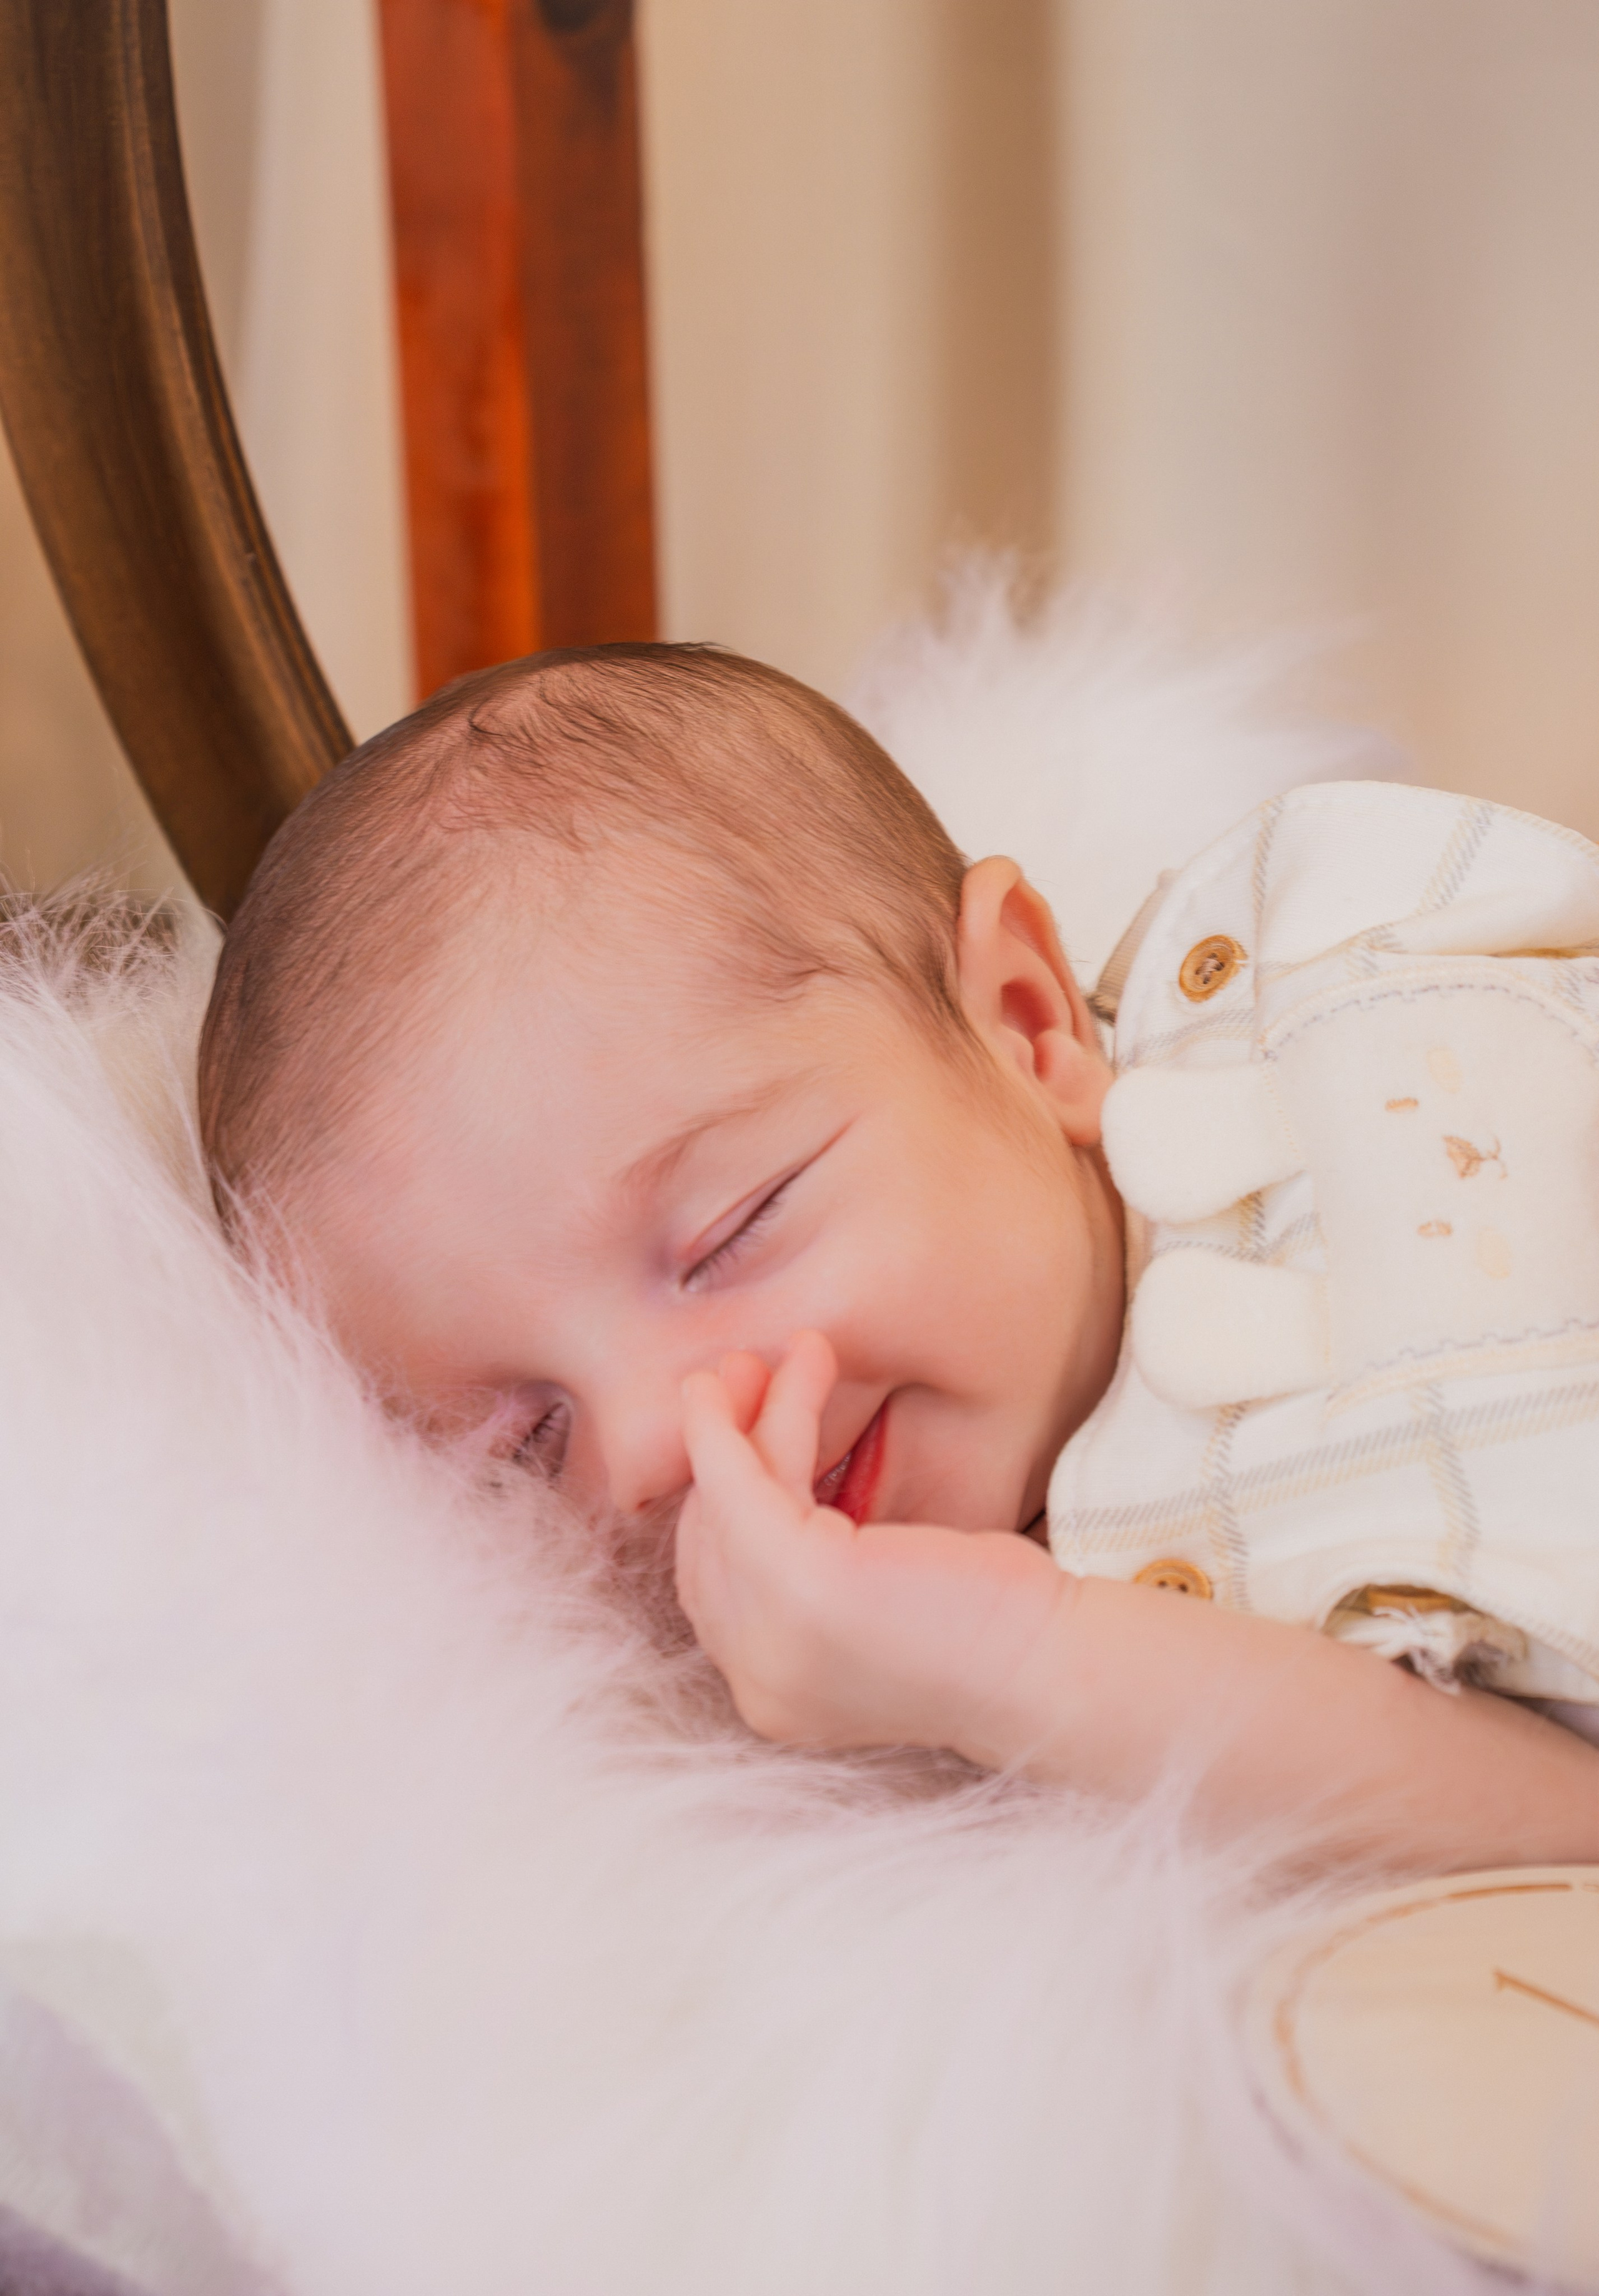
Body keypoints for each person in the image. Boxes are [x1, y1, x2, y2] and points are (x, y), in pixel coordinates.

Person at [198, 643, 1599, 1873]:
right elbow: (1536, 1796)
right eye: (527, 1444)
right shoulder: (1185, 1595)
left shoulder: (1342, 951)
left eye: (729, 1234)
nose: (653, 1448)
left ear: (1026, 1019)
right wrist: (995, 1660)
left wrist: (1005, 1664)